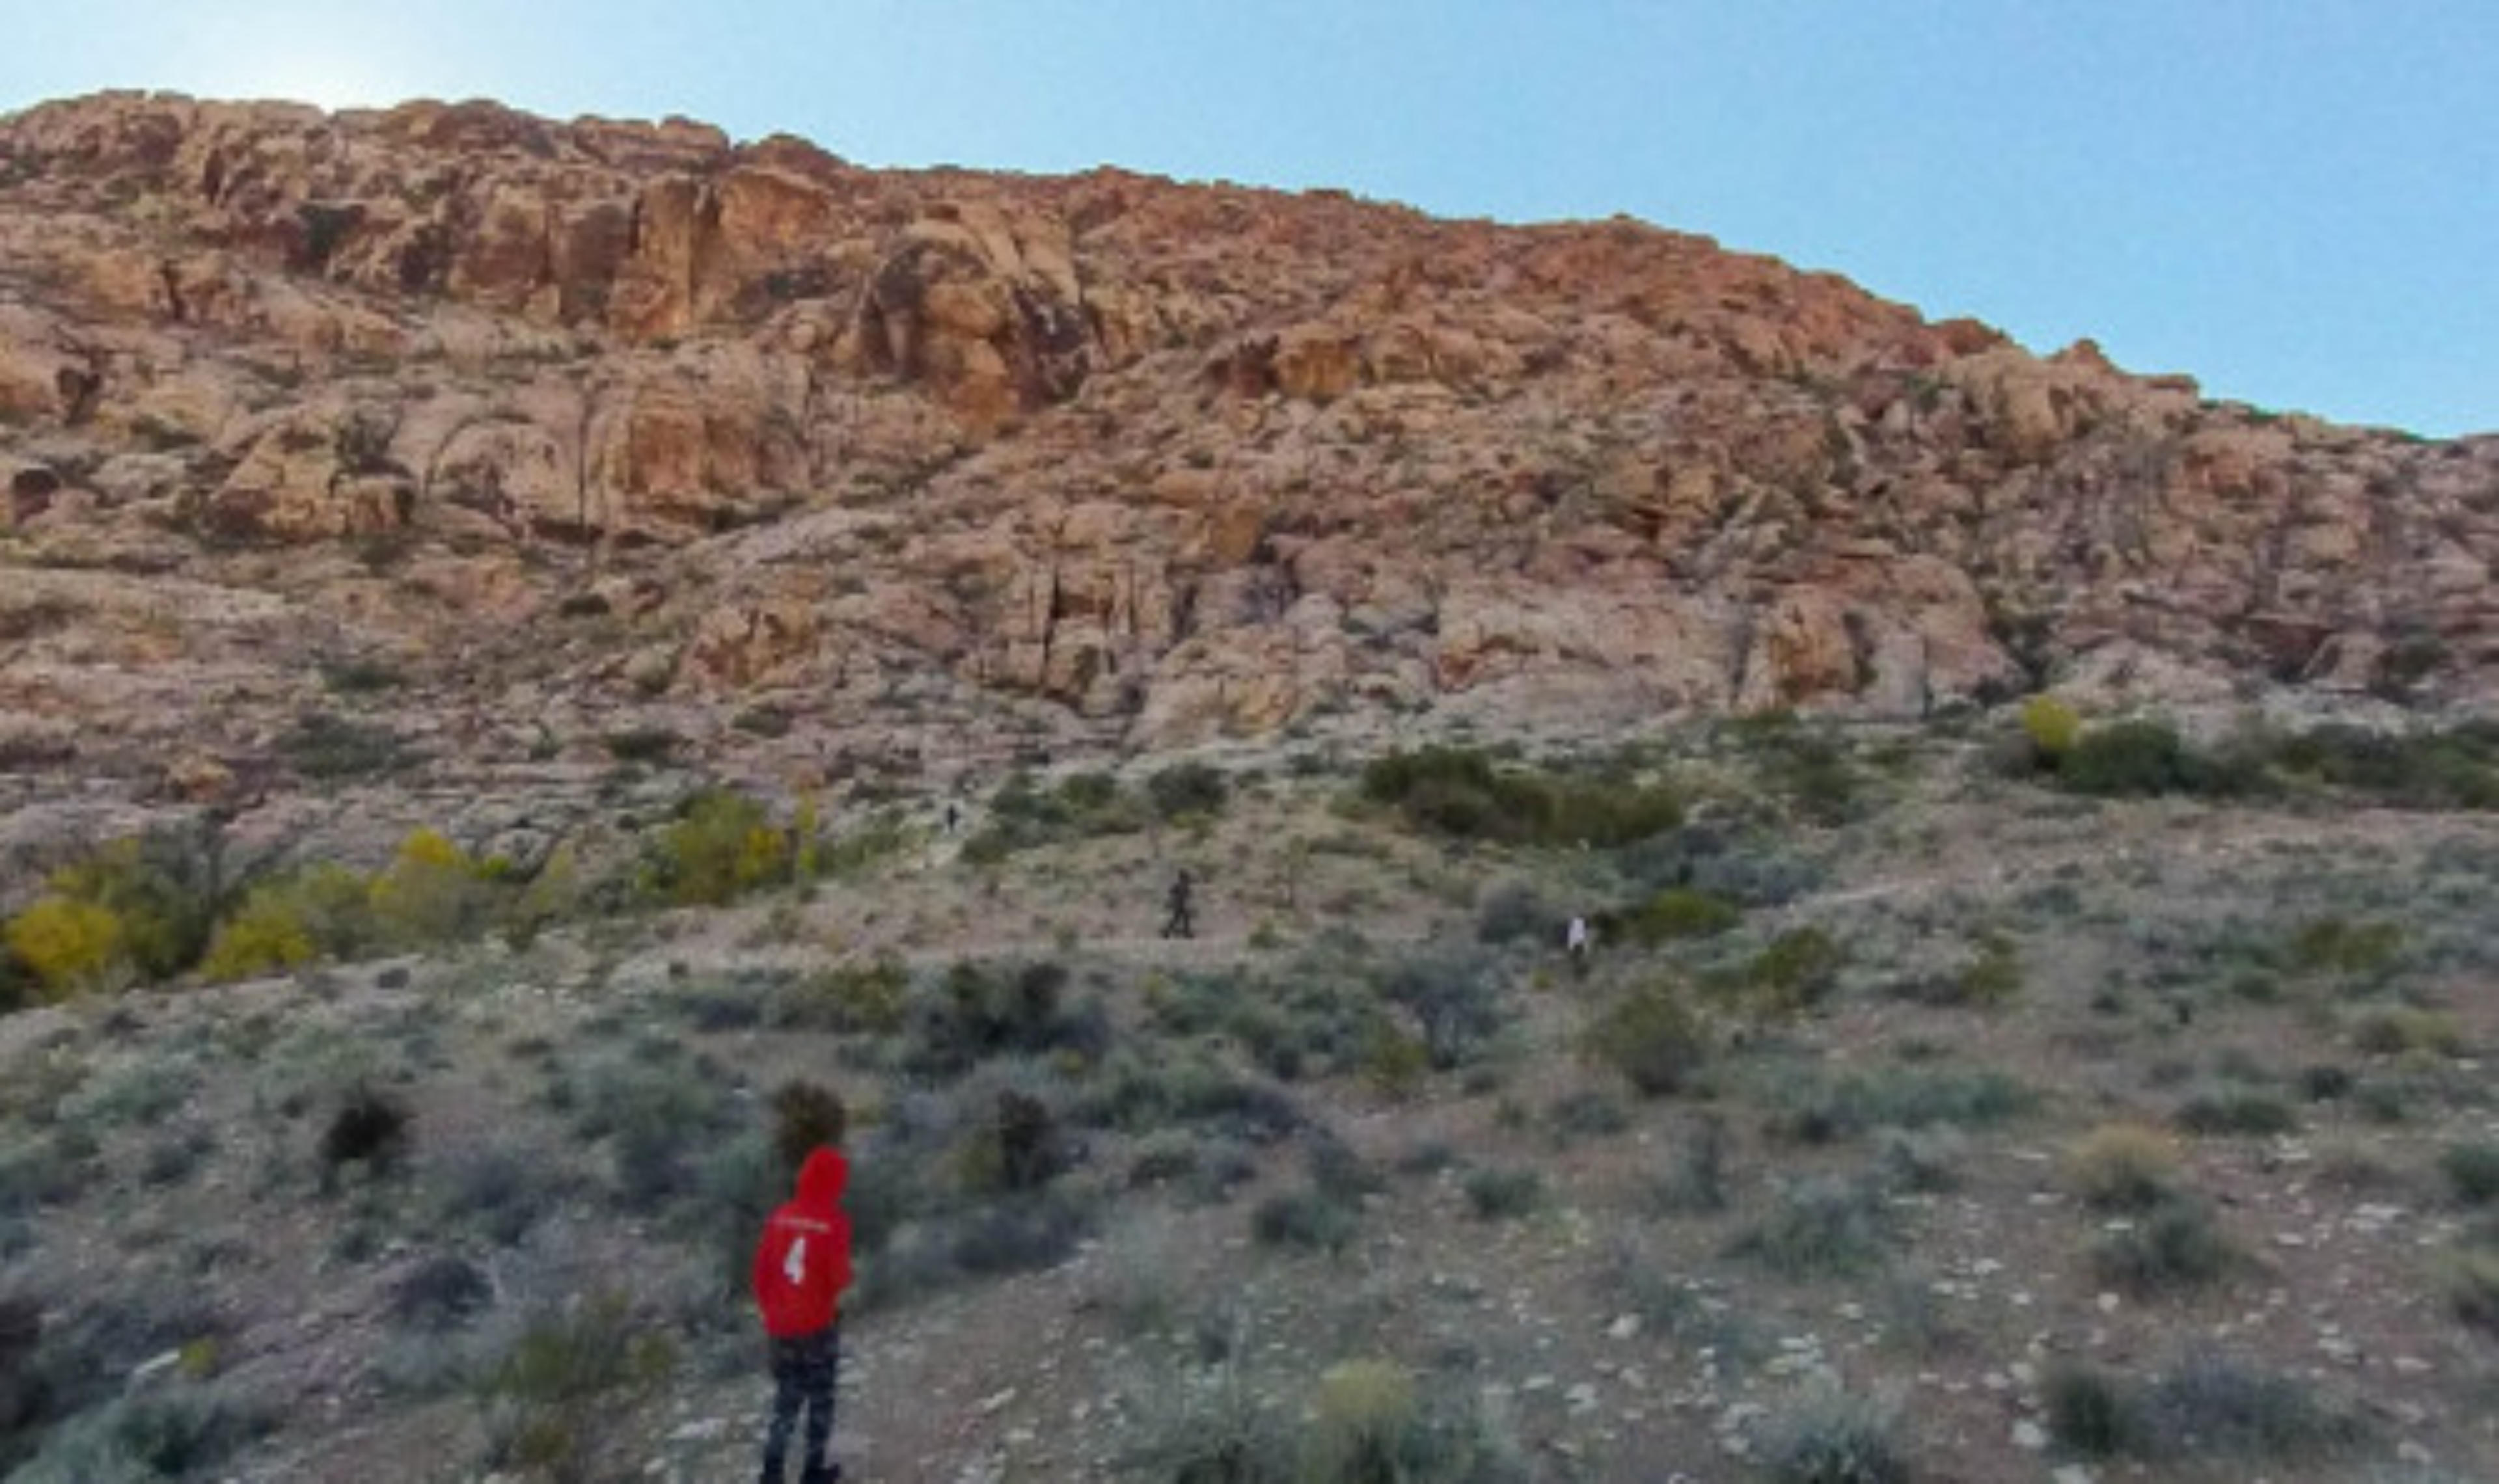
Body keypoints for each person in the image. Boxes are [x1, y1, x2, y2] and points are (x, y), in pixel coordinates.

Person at [752, 1146, 854, 1484]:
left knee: (786, 1402)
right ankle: (813, 1473)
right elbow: (839, 1278)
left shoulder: (779, 1217)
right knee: (821, 1402)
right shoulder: (834, 1222)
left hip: (780, 1328)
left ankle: (771, 1473)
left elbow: (761, 1273)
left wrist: (771, 1312)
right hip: (816, 1326)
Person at [1162, 867, 1195, 940]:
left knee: (1180, 919)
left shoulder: (1180, 885)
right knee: (1180, 919)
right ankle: (1186, 933)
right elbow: (1187, 894)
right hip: (1180, 904)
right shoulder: (1182, 885)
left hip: (1180, 904)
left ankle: (1167, 932)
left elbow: (1172, 892)